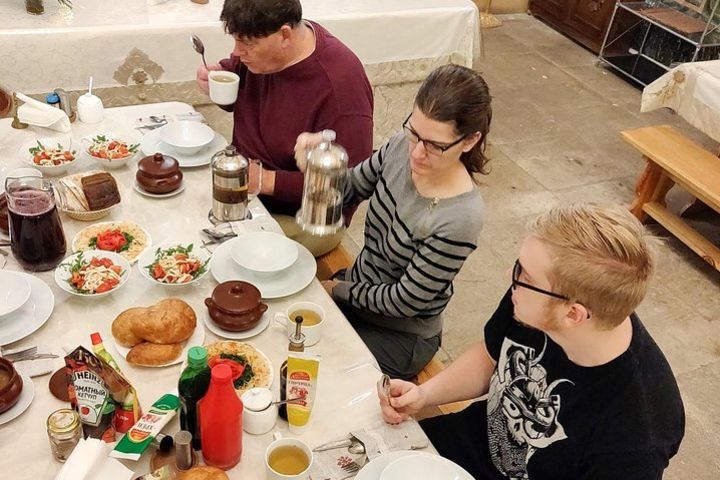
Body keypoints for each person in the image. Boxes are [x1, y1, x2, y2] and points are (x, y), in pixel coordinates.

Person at [378, 204, 685, 479]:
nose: (513, 279)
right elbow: (491, 355)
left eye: (525, 275)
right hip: (456, 448)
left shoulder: (637, 436)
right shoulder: (536, 302)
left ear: (573, 314)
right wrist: (424, 395)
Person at [296, 64, 491, 380]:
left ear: (469, 141)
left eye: (435, 145)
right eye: (414, 132)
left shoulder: (460, 218)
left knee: (319, 376)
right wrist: (317, 167)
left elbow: (405, 301)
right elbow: (350, 190)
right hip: (357, 290)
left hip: (399, 333)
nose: (416, 153)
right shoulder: (402, 147)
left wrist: (338, 290)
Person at [196, 0, 374, 257]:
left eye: (246, 43)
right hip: (245, 192)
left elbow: (350, 184)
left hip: (303, 217)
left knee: (210, 251)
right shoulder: (263, 57)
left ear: (285, 35)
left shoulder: (340, 86)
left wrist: (267, 181)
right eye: (235, 41)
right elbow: (245, 81)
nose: (236, 52)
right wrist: (219, 78)